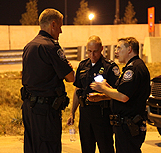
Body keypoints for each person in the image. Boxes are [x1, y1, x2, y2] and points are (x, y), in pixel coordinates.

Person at [21, 8, 75, 153]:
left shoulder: (29, 46)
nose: (61, 31)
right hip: (45, 110)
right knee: (49, 146)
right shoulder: (51, 47)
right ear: (53, 24)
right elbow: (70, 77)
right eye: (60, 26)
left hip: (29, 108)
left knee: (32, 146)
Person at [89, 37, 150, 153]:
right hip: (127, 125)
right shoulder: (134, 66)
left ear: (129, 49)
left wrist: (102, 88)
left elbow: (123, 96)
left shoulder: (133, 69)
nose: (116, 51)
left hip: (129, 125)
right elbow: (124, 93)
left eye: (119, 48)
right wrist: (104, 94)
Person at [67, 35, 120, 153]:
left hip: (102, 115)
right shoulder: (82, 65)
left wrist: (101, 97)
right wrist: (72, 113)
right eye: (89, 52)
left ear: (101, 49)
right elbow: (77, 90)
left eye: (95, 51)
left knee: (106, 148)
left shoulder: (110, 67)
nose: (92, 55)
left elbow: (118, 94)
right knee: (86, 148)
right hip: (85, 115)